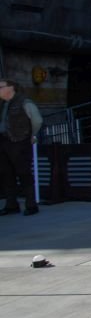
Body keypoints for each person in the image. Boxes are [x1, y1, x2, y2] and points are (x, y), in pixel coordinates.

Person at [0, 78, 42, 216]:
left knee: (24, 173)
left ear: (11, 88)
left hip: (19, 142)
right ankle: (11, 205)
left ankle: (31, 205)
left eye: (1, 87)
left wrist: (32, 135)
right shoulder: (3, 104)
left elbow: (37, 120)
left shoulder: (24, 101)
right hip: (4, 142)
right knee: (7, 174)